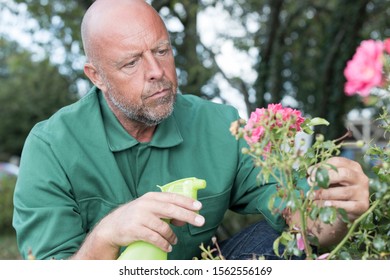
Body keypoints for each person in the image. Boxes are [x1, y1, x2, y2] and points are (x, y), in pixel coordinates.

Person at [12, 0, 369, 260]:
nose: (156, 71)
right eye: (132, 62)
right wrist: (105, 235)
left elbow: (302, 221)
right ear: (96, 76)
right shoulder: (50, 147)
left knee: (278, 244)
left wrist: (334, 209)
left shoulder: (219, 124)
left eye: (162, 50)